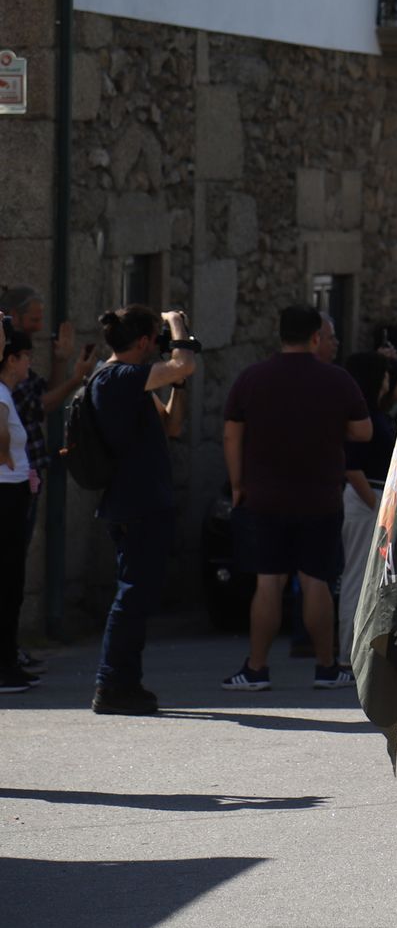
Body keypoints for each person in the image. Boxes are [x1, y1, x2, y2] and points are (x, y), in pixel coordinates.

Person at [221, 305, 371, 692]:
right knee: (315, 580)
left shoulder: (251, 379)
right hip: (320, 495)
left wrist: (238, 484)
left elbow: (231, 435)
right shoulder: (337, 381)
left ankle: (256, 669)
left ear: (281, 335)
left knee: (268, 582)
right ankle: (325, 667)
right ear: (316, 337)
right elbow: (363, 431)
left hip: (264, 496)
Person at [90, 306, 198, 714]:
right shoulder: (118, 377)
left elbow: (171, 424)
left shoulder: (129, 383)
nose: (160, 347)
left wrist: (180, 384)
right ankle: (111, 683)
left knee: (137, 593)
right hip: (135, 503)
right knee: (132, 595)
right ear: (142, 342)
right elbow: (182, 362)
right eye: (156, 340)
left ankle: (123, 682)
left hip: (138, 501)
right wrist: (177, 324)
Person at [0, 287, 96, 674]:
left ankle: (10, 649)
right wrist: (74, 377)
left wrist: (62, 364)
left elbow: (42, 393)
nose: (40, 326)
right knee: (8, 572)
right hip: (10, 485)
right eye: (33, 319)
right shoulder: (7, 383)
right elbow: (42, 404)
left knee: (13, 570)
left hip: (24, 480)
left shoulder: (18, 375)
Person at [337, 351, 397, 668]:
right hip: (366, 500)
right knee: (357, 577)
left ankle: (359, 650)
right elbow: (353, 468)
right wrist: (376, 507)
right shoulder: (362, 419)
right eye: (385, 375)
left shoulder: (373, 415)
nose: (389, 381)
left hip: (373, 499)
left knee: (369, 579)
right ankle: (348, 654)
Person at [0, 318, 38, 693]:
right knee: (7, 582)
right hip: (5, 494)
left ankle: (9, 659)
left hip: (12, 492)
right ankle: (4, 664)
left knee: (12, 582)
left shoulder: (7, 392)